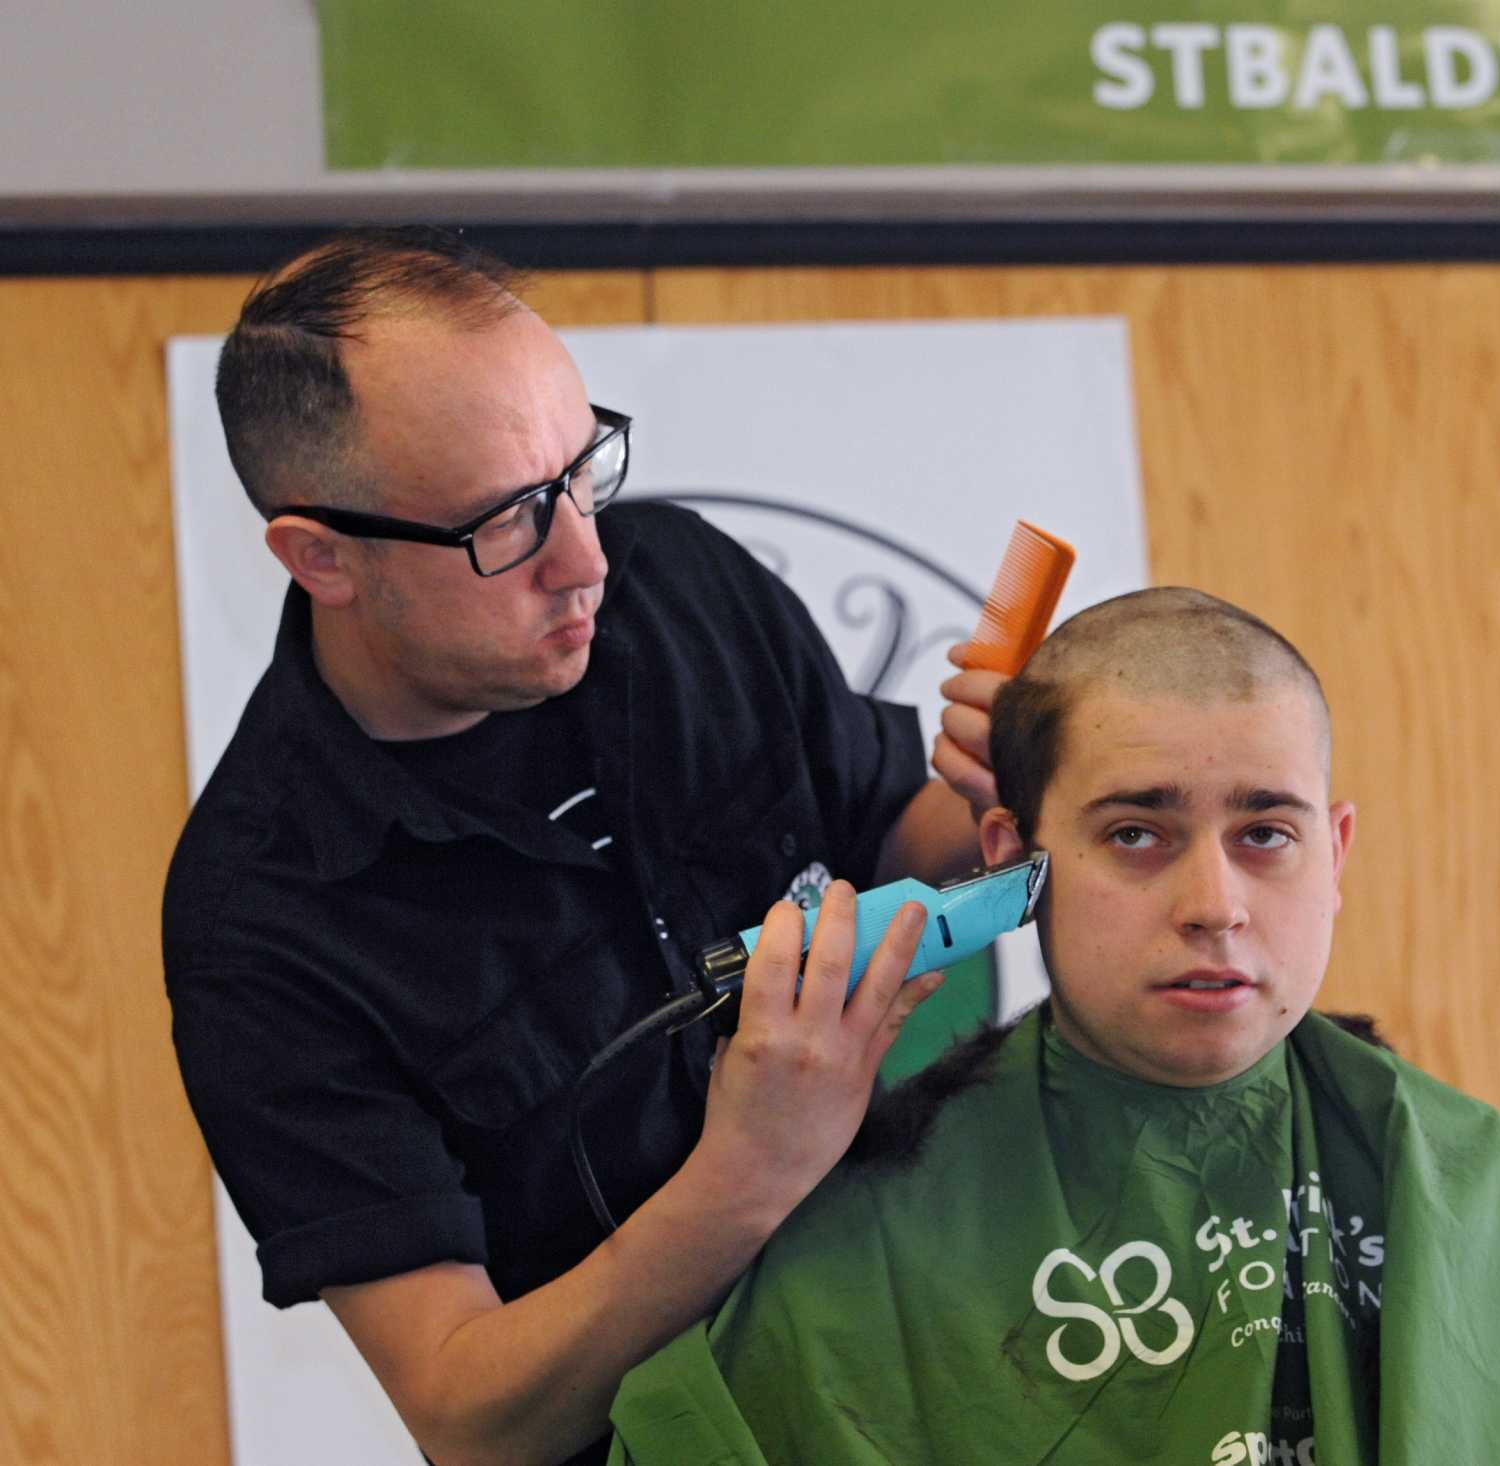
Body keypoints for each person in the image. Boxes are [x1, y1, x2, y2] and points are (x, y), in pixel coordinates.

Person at [162, 228, 997, 1466]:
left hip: (936, 1363)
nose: (584, 558)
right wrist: (748, 1172)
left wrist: (1010, 793)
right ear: (319, 556)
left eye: (580, 469)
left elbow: (896, 841)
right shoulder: (263, 917)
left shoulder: (682, 583)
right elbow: (469, 1413)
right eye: (506, 522)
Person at [608, 587, 1500, 1465]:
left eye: (1265, 834)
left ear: (1333, 852)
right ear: (1007, 859)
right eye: (1136, 833)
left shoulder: (1487, 1188)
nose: (1213, 903)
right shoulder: (873, 1222)